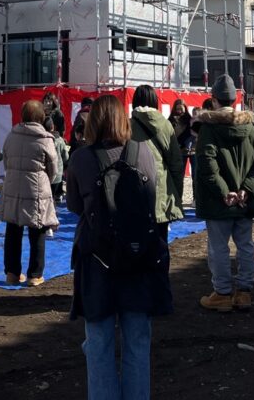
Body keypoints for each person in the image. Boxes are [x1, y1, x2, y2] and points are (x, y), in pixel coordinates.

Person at [67, 94, 171, 399]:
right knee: (138, 340)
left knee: (99, 343)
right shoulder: (143, 153)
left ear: (92, 121)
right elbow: (151, 198)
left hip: (97, 259)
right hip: (138, 257)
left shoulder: (81, 158)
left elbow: (75, 206)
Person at [195, 75, 254, 312]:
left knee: (218, 248)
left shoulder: (209, 129)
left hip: (219, 202)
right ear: (236, 99)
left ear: (214, 100)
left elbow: (207, 164)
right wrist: (247, 189)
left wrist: (223, 191)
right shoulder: (250, 128)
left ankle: (223, 293)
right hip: (245, 202)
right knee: (245, 245)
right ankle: (244, 293)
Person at [0, 99, 59, 286]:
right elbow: (53, 169)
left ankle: (12, 273)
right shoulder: (45, 139)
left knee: (13, 230)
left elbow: (6, 162)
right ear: (42, 117)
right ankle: (35, 274)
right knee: (37, 230)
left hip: (13, 187)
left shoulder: (11, 135)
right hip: (36, 189)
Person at [131, 85, 186, 239]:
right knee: (160, 245)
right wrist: (177, 195)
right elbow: (176, 163)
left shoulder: (127, 125)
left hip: (136, 188)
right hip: (162, 188)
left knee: (136, 242)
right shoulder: (165, 124)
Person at [168, 99, 196, 182]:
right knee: (179, 175)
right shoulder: (171, 120)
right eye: (177, 109)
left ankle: (196, 195)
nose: (179, 111)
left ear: (185, 108)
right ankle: (178, 194)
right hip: (180, 151)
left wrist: (181, 142)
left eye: (181, 109)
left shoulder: (190, 119)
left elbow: (190, 133)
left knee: (195, 176)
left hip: (193, 150)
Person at [45, 116, 70, 203]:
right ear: (53, 126)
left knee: (48, 198)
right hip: (58, 173)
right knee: (56, 195)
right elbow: (66, 156)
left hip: (46, 174)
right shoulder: (60, 140)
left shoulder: (42, 140)